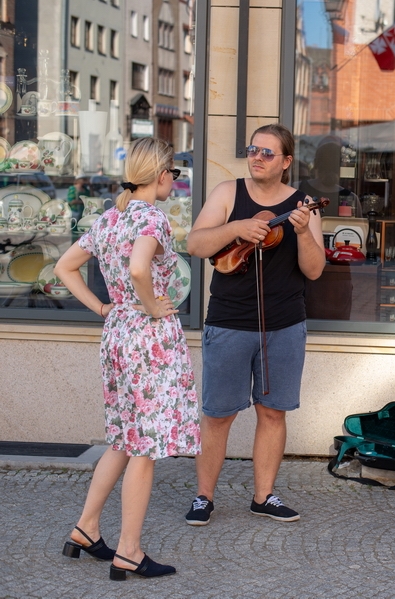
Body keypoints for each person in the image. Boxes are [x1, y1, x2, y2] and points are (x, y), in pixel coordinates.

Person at [55, 137, 200, 580]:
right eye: (173, 174)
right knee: (144, 445)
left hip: (118, 332)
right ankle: (129, 551)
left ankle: (86, 527)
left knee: (123, 437)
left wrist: (102, 307)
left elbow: (63, 267)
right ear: (160, 175)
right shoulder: (151, 219)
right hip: (147, 335)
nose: (174, 182)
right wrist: (153, 306)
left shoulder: (109, 218)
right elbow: (140, 269)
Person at [184, 123, 325, 525]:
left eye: (267, 152)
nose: (257, 157)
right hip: (229, 321)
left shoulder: (304, 204)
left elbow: (314, 271)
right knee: (218, 414)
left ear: (286, 161)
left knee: (273, 412)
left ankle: (263, 496)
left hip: (284, 324)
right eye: (253, 150)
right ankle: (203, 496)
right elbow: (195, 244)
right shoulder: (229, 193)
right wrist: (235, 228)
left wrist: (302, 234)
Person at [299, 141, 361, 218]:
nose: (329, 170)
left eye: (332, 165)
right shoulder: (298, 188)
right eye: (325, 164)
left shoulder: (297, 188)